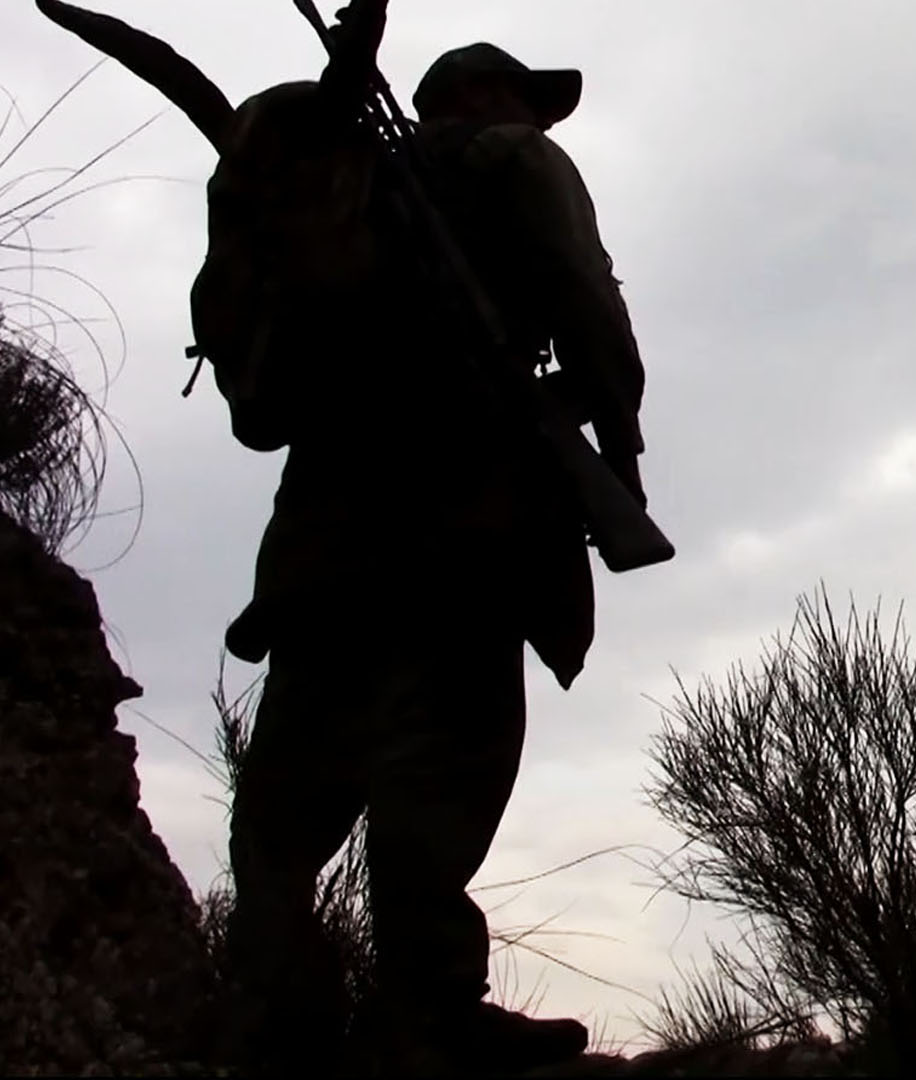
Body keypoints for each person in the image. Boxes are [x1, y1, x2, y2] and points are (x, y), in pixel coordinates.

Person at [220, 40, 647, 1075]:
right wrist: (613, 428)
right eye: (528, 103)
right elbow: (588, 304)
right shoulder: (510, 163)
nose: (542, 123)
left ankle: (274, 1024)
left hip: (319, 555)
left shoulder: (342, 195)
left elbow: (264, 403)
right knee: (440, 782)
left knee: (282, 818)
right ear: (491, 99)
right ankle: (432, 1018)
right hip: (464, 533)